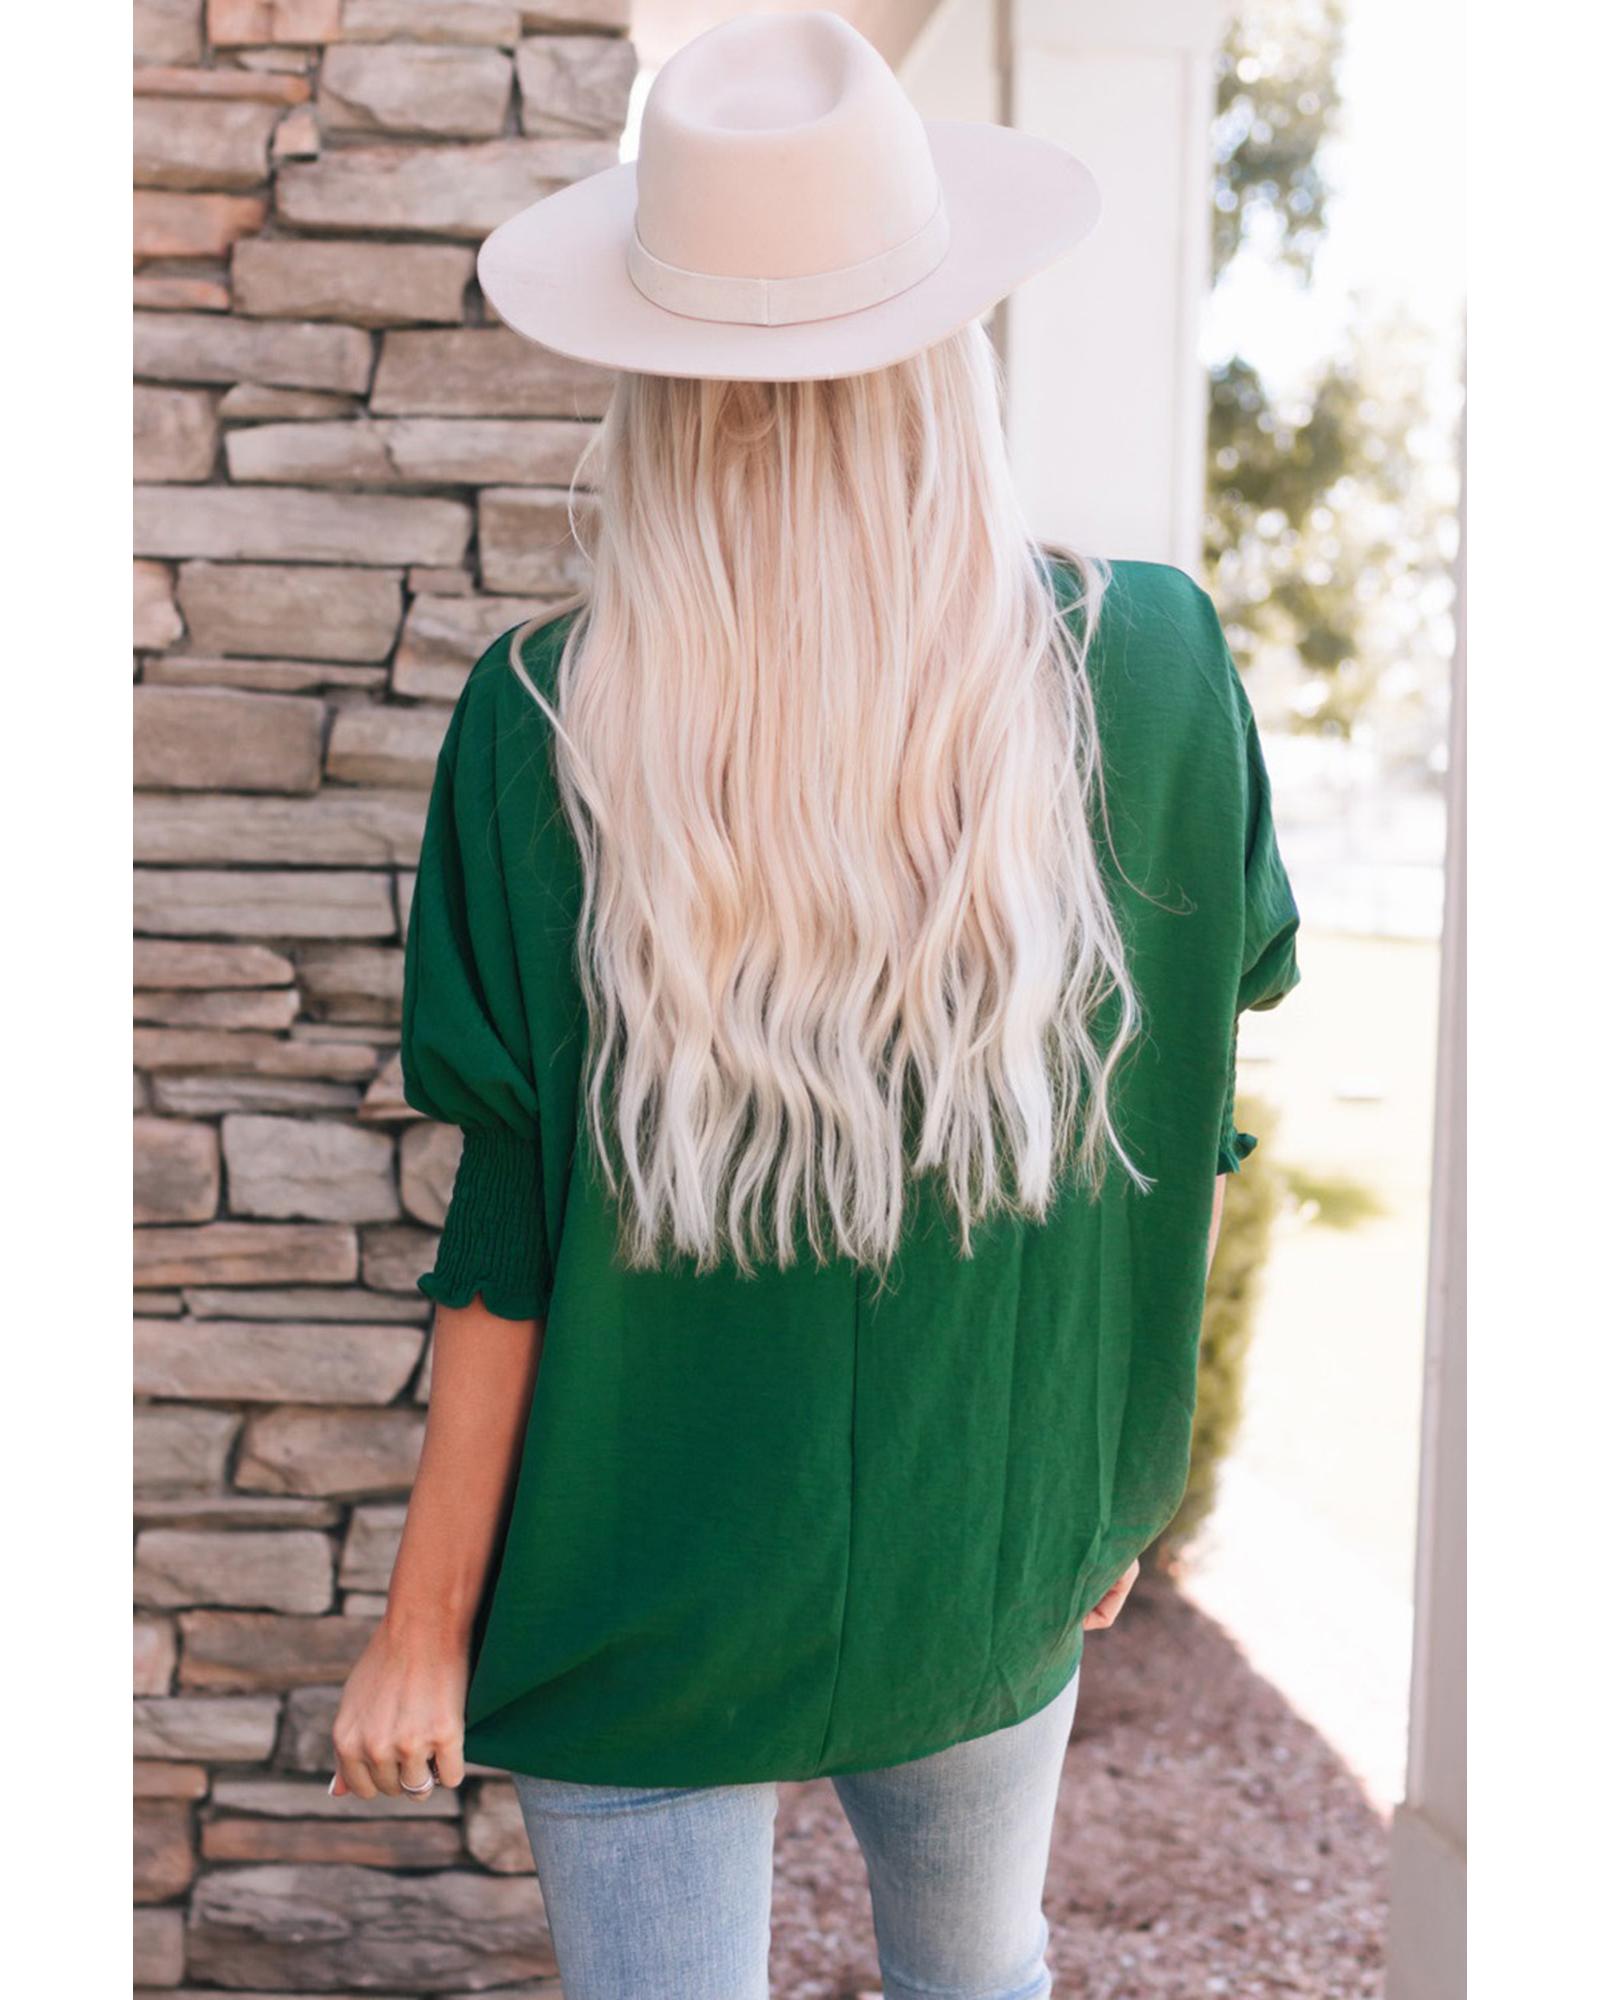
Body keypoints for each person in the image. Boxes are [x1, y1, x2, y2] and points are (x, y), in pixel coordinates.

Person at [327, 13, 1303, 1998]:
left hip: (641, 1564)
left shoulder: (543, 723)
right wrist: (1109, 1474)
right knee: (975, 1972)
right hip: (986, 1538)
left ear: (654, 382)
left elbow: (508, 1236)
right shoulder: (1153, 665)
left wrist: (423, 1626)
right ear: (946, 343)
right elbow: (1192, 1091)